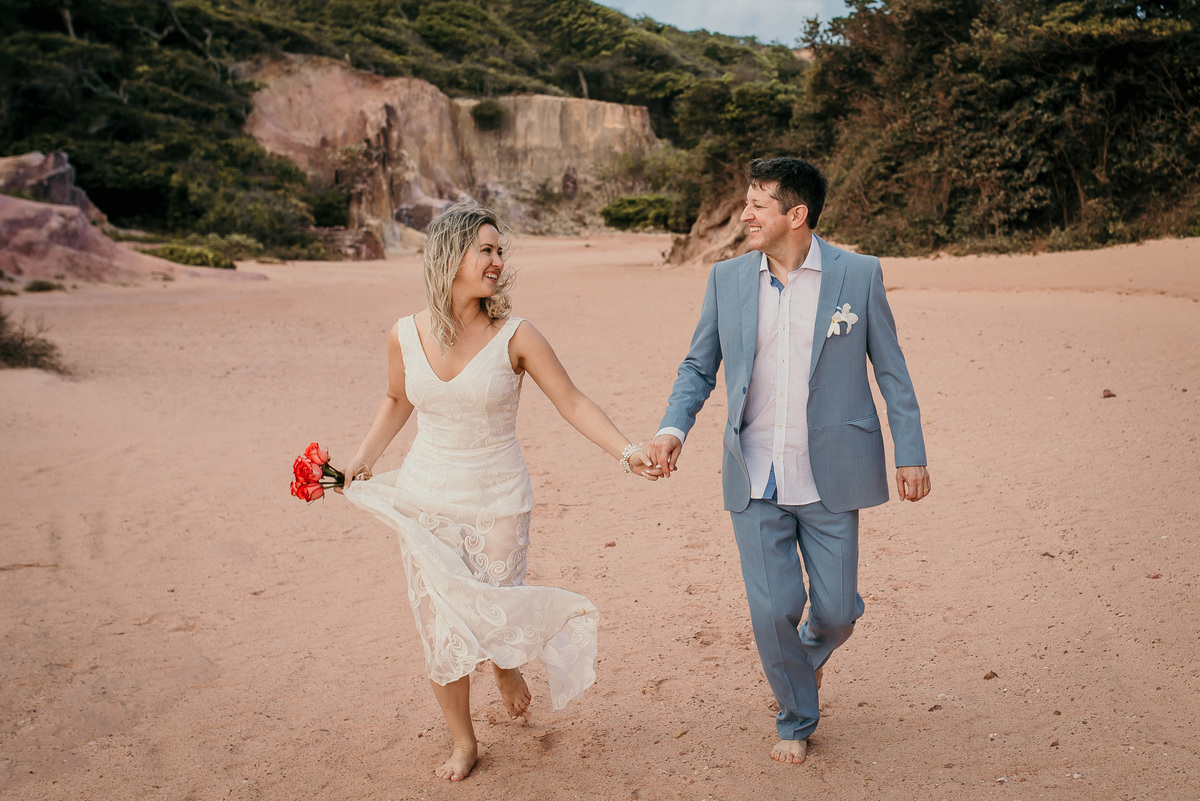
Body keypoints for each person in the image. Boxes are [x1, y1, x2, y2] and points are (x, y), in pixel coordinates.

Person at [341, 201, 658, 781]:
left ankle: (503, 662)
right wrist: (361, 462)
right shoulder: (403, 335)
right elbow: (396, 400)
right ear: (450, 258)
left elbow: (573, 401)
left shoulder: (516, 335)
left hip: (497, 500)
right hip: (424, 497)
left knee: (494, 604)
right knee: (440, 624)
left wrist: (627, 451)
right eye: (485, 250)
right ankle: (464, 741)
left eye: (498, 250)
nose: (497, 261)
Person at [647, 157, 930, 765]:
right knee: (773, 610)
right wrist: (674, 429)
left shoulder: (859, 274)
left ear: (795, 215)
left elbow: (891, 369)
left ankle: (803, 660)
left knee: (834, 612)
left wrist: (910, 452)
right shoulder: (726, 280)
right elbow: (700, 366)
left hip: (832, 471)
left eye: (758, 204)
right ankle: (797, 716)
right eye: (746, 202)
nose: (745, 214)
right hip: (752, 472)